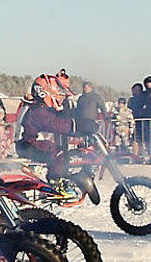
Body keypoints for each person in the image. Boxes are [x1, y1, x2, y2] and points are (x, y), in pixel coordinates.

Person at [16, 73, 99, 201]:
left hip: (28, 142)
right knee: (58, 153)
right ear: (44, 92)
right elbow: (57, 124)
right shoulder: (36, 110)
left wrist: (75, 119)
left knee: (63, 151)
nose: (58, 96)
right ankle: (56, 184)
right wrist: (80, 126)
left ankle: (69, 179)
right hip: (27, 144)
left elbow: (57, 117)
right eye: (56, 92)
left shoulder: (37, 106)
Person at [128, 82, 147, 161]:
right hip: (134, 121)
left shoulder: (144, 98)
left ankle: (142, 156)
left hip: (143, 121)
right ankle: (135, 156)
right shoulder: (131, 100)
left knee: (143, 140)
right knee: (135, 140)